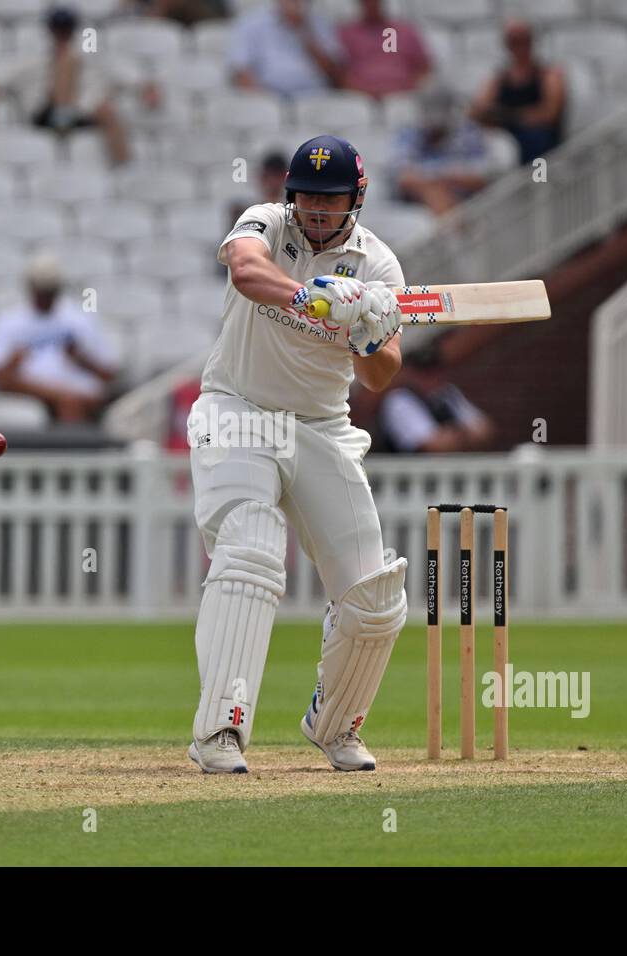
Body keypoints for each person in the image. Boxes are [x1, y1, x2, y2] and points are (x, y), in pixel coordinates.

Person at [186, 134, 407, 774]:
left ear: (354, 200)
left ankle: (335, 724)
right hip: (238, 408)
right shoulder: (264, 221)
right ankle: (220, 730)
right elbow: (247, 271)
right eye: (306, 197)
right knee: (251, 545)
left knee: (373, 597)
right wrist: (312, 296)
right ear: (290, 195)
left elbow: (381, 375)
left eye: (329, 200)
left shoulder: (377, 267)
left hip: (320, 425)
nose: (315, 211)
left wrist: (366, 333)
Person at [0, 6, 131, 167]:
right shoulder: (31, 58)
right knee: (67, 61)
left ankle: (125, 169)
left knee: (107, 109)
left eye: (66, 30)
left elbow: (117, 74)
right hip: (44, 115)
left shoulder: (88, 57)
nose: (62, 34)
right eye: (58, 29)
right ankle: (63, 115)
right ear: (50, 30)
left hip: (78, 112)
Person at [0, 253, 119, 423]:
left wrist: (81, 360)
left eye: (50, 291)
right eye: (40, 291)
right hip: (30, 390)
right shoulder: (10, 320)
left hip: (81, 392)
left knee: (72, 401)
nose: (45, 297)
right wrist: (14, 360)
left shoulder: (81, 318)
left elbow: (110, 375)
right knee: (69, 402)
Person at [392, 86, 514, 214]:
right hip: (420, 197)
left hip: (464, 195)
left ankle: (451, 227)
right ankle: (453, 230)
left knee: (440, 191)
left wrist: (443, 177)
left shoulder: (468, 133)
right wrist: (438, 178)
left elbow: (482, 175)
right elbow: (402, 177)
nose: (433, 125)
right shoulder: (409, 133)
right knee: (433, 191)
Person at [470, 19, 566, 164]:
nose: (519, 47)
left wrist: (512, 117)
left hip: (538, 147)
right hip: (505, 145)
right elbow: (478, 110)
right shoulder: (498, 79)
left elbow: (549, 114)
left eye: (523, 40)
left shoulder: (548, 75)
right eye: (513, 41)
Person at [375, 341, 495, 453]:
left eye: (435, 370)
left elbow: (486, 431)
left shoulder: (448, 394)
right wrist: (465, 433)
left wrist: (454, 435)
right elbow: (432, 445)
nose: (432, 377)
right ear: (410, 373)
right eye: (424, 371)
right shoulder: (399, 400)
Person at [230, 0, 343, 97]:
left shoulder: (321, 24)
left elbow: (334, 73)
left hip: (315, 96)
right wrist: (267, 103)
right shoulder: (251, 23)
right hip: (271, 97)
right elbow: (241, 71)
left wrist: (304, 32)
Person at [338, 0, 430, 98]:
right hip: (359, 98)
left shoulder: (405, 31)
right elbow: (339, 73)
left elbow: (424, 67)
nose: (371, 3)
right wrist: (361, 91)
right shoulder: (345, 33)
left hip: (403, 96)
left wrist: (410, 86)